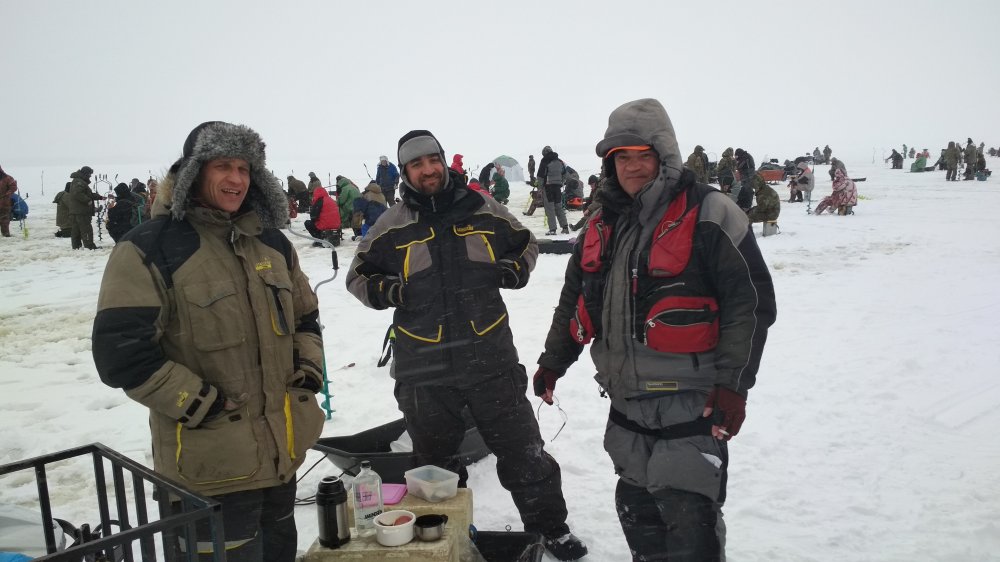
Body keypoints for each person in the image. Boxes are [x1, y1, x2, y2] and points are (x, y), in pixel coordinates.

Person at [532, 99, 776, 561]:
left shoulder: (711, 211)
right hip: (626, 407)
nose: (632, 166)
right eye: (621, 157)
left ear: (664, 154)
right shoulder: (600, 222)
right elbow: (574, 299)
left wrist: (734, 385)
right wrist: (553, 361)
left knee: (689, 525)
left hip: (692, 405)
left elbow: (751, 303)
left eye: (643, 155)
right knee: (639, 517)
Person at [345, 130, 588, 561]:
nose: (427, 170)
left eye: (432, 160)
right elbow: (358, 276)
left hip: (489, 357)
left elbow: (526, 243)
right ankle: (445, 536)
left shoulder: (482, 207)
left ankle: (551, 529)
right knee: (433, 468)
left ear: (443, 161)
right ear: (405, 172)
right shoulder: (391, 224)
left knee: (524, 452)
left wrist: (515, 268)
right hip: (423, 368)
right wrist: (390, 291)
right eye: (416, 164)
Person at [91, 121, 325, 562]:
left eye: (245, 168)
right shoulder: (149, 248)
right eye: (223, 166)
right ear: (194, 172)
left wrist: (308, 372)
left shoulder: (272, 242)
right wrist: (202, 402)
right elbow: (121, 354)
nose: (237, 179)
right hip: (209, 472)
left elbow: (305, 317)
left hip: (282, 458)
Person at [66, 166, 104, 249]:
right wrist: (87, 200)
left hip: (77, 211)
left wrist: (100, 197)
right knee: (86, 229)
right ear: (85, 174)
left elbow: (88, 194)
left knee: (76, 230)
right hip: (82, 212)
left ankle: (76, 247)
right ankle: (90, 247)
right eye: (89, 174)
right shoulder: (79, 182)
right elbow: (78, 194)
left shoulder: (78, 181)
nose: (90, 176)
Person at [537, 145, 570, 234]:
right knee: (559, 207)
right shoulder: (560, 161)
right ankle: (565, 227)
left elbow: (540, 176)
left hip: (548, 187)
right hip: (557, 188)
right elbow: (565, 174)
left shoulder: (544, 161)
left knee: (550, 208)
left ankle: (552, 229)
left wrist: (540, 188)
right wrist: (561, 182)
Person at [305, 182, 341, 246]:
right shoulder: (331, 200)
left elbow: (313, 216)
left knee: (307, 223)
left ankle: (320, 240)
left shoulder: (319, 201)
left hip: (326, 226)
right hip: (337, 226)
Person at [0, 165, 18, 237]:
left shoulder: (7, 178)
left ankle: (6, 234)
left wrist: (8, 193)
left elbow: (14, 187)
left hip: (5, 203)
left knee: (4, 220)